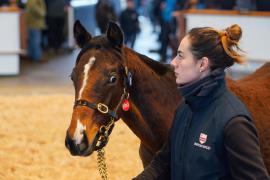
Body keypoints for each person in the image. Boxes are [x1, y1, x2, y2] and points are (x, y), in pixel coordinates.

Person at [133, 24, 270, 179]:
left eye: (180, 56)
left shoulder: (233, 122)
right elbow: (164, 162)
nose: (173, 63)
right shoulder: (184, 108)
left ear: (202, 64)